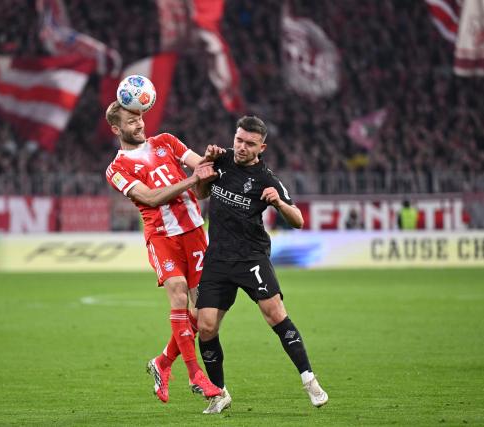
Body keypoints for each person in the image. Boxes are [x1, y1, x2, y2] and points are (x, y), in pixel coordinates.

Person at [194, 116, 329, 414]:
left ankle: (310, 381)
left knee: (275, 316)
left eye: (250, 144)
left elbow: (299, 220)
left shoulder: (268, 180)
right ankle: (219, 393)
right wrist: (203, 171)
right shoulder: (221, 160)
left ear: (261, 147)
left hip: (251, 257)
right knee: (205, 327)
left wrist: (279, 204)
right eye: (239, 139)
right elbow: (202, 194)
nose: (241, 147)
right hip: (217, 257)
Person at [104, 101, 223, 404]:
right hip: (162, 237)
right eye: (131, 122)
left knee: (202, 314)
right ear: (117, 129)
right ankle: (195, 374)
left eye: (140, 117)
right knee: (178, 293)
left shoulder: (166, 141)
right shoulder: (116, 169)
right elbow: (150, 198)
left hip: (195, 232)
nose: (139, 124)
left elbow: (200, 165)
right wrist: (193, 178)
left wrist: (208, 160)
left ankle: (163, 362)